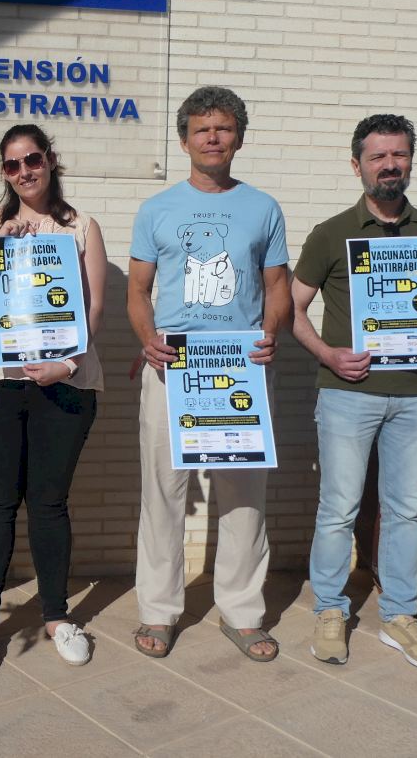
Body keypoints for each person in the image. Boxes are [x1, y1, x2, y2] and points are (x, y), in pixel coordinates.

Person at [292, 113, 417, 670]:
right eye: (378, 157)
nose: (390, 165)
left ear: (410, 160)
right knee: (338, 509)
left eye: (399, 155)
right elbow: (291, 309)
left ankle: (399, 615)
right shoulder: (331, 233)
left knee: (405, 511)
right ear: (358, 166)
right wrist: (327, 354)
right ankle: (330, 609)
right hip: (349, 394)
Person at [127, 86, 290, 662]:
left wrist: (270, 333)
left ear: (238, 138)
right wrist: (147, 340)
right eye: (202, 129)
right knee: (163, 493)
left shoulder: (263, 208)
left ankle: (242, 614)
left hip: (240, 370)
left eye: (223, 128)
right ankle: (158, 610)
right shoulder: (156, 209)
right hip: (172, 368)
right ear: (184, 141)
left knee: (243, 496)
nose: (212, 138)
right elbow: (138, 291)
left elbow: (277, 288)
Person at [0, 125, 107, 671]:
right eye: (12, 164)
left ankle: (57, 617)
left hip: (63, 384)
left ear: (50, 160)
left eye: (33, 159)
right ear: (4, 172)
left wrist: (68, 363)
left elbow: (93, 307)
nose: (24, 171)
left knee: (49, 503)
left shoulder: (81, 226)